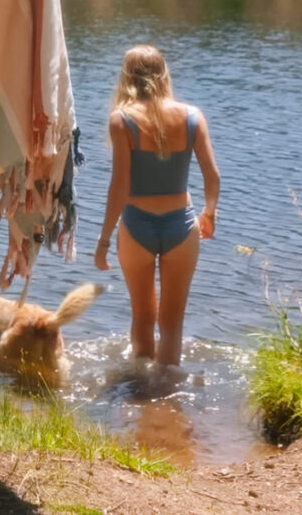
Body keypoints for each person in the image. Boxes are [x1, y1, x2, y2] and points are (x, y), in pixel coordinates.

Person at [94, 44, 221, 367]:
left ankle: (139, 396)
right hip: (182, 223)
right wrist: (209, 212)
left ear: (126, 77)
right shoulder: (192, 117)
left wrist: (105, 239)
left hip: (137, 224)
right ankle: (166, 395)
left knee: (142, 316)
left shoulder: (121, 120)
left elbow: (119, 185)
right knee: (172, 322)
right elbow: (212, 174)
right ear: (164, 74)